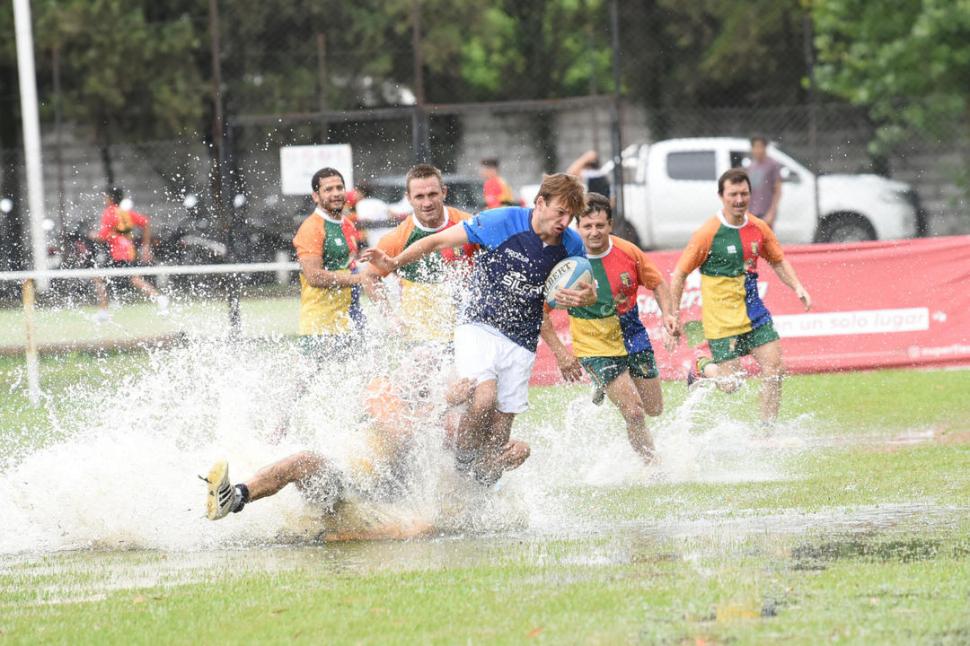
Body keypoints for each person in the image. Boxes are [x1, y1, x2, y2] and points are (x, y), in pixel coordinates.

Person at [362, 173, 596, 485]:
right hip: (478, 323)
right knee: (483, 398)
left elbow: (587, 290)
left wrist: (584, 296)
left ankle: (481, 487)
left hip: (522, 340)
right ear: (540, 203)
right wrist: (394, 263)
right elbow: (436, 241)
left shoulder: (571, 244)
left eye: (570, 216)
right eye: (560, 212)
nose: (565, 222)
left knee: (500, 430)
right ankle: (459, 471)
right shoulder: (502, 220)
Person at [669, 168, 812, 427]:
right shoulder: (707, 233)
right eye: (733, 194)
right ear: (721, 196)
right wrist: (673, 315)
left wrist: (797, 286)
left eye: (744, 194)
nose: (739, 200)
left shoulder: (758, 227)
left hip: (755, 313)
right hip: (722, 321)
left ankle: (766, 432)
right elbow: (679, 274)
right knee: (731, 385)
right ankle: (701, 367)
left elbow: (778, 261)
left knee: (775, 369)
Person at [542, 193, 677, 464]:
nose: (594, 232)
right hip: (594, 344)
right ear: (577, 227)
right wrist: (561, 353)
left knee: (654, 409)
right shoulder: (564, 262)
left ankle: (607, 385)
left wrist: (668, 315)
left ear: (610, 225)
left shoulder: (629, 252)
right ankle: (652, 465)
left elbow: (658, 284)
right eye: (587, 226)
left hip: (632, 332)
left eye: (600, 226)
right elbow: (540, 313)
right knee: (634, 412)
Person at [364, 164, 477, 344]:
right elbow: (369, 277)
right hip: (420, 339)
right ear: (409, 198)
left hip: (467, 333)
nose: (427, 203)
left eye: (432, 194)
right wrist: (391, 317)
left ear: (444, 192)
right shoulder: (398, 238)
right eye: (419, 196)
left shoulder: (468, 224)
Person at [292, 168, 374, 359]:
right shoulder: (311, 228)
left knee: (365, 371)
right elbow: (314, 277)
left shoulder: (348, 224)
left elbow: (349, 266)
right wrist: (358, 279)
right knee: (314, 377)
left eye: (339, 188)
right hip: (321, 326)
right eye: (328, 189)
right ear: (316, 196)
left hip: (351, 319)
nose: (336, 193)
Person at [95, 187, 168, 319]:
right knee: (133, 278)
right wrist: (146, 246)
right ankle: (159, 298)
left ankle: (104, 312)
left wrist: (92, 235)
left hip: (117, 252)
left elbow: (103, 236)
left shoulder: (109, 212)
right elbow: (145, 222)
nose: (104, 199)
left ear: (111, 198)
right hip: (128, 250)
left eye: (105, 197)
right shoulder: (125, 212)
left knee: (101, 278)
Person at [746, 136, 783, 228]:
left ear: (765, 147)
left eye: (760, 146)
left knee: (765, 236)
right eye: (755, 147)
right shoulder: (751, 166)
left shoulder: (773, 165)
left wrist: (772, 212)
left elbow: (778, 190)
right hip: (752, 212)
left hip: (765, 211)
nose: (758, 150)